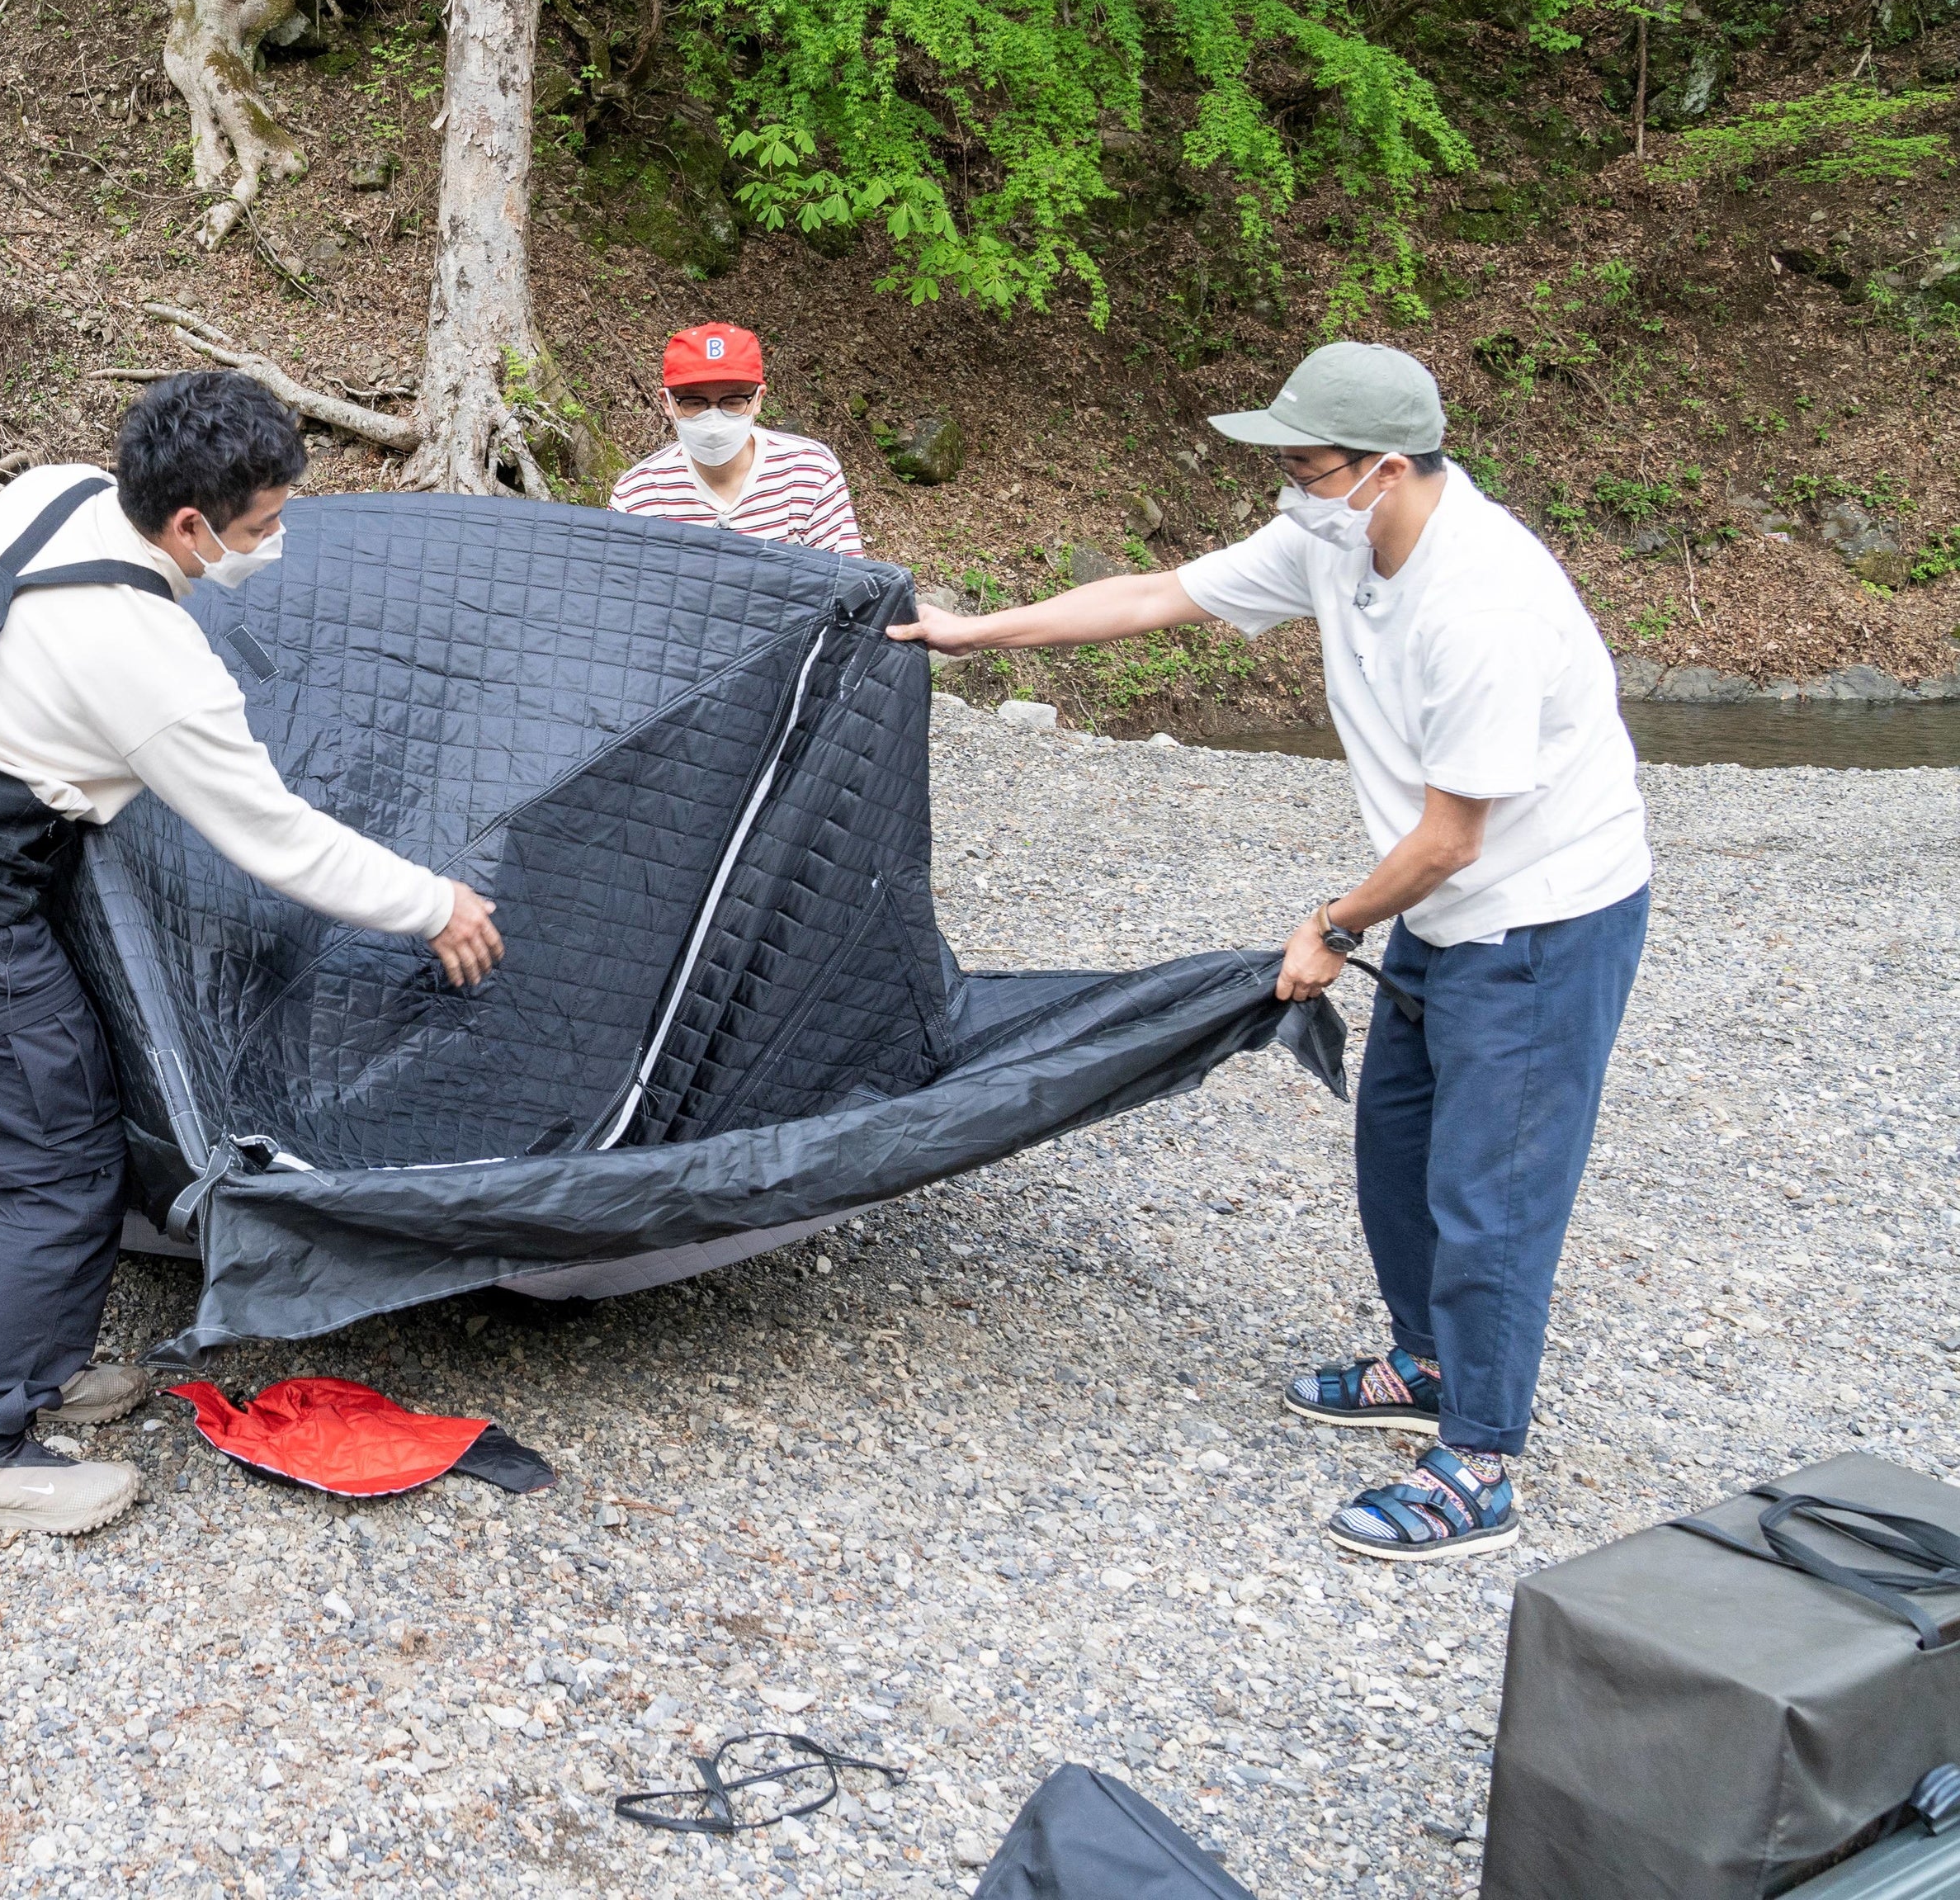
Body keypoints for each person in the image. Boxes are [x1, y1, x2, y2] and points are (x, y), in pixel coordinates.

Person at [890, 340, 1651, 1563]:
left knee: (1491, 1189)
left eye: (1309, 467)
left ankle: (1481, 1461)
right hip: (1446, 907)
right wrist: (973, 636)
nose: (1291, 489)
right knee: (1398, 1146)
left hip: (1546, 913)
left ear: (1387, 469)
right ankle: (1428, 1361)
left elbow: (1455, 836)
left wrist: (1335, 926)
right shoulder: (1337, 537)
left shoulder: (1484, 605)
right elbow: (1155, 595)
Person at [0, 369, 506, 1540]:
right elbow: (276, 837)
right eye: (263, 526)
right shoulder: (148, 660)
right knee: (57, 1160)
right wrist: (432, 903)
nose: (273, 545)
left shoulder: (50, 490)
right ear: (188, 525)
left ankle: (18, 1367)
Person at [608, 323, 865, 555]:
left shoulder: (809, 471)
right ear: (667, 402)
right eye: (693, 402)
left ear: (758, 400)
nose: (713, 419)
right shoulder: (637, 495)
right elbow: (621, 593)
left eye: (732, 401)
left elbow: (846, 587)